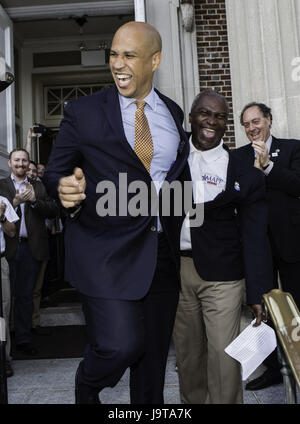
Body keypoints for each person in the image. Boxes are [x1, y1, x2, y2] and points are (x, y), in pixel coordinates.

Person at [43, 21, 189, 404]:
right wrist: (63, 187)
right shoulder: (83, 111)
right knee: (120, 345)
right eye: (113, 54)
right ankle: (87, 385)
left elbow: (174, 180)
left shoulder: (173, 114)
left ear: (155, 60)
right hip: (104, 251)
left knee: (153, 362)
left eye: (129, 55)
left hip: (161, 254)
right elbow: (57, 169)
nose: (117, 64)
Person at [172, 90, 273, 403]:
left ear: (226, 125)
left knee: (223, 357)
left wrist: (257, 292)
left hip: (224, 277)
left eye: (219, 116)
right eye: (204, 113)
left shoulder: (244, 173)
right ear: (191, 118)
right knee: (188, 359)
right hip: (177, 272)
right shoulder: (169, 160)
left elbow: (255, 237)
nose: (211, 121)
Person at [234, 102, 300, 390]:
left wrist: (269, 167)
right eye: (246, 124)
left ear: (269, 120)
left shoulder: (292, 148)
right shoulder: (238, 157)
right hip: (256, 244)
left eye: (256, 121)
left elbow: (297, 184)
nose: (252, 128)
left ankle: (298, 364)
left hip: (291, 242)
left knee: (296, 305)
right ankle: (273, 368)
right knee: (264, 309)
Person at [0, 149, 58, 355]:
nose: (21, 163)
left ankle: (23, 339)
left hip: (31, 248)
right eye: (17, 160)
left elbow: (53, 210)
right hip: (7, 249)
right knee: (4, 301)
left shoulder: (39, 186)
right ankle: (4, 344)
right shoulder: (2, 186)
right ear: (10, 163)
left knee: (25, 297)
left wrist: (34, 201)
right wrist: (14, 203)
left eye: (24, 160)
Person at [0, 197, 19, 377]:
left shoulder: (1, 201)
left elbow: (12, 232)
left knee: (2, 313)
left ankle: (4, 359)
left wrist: (2, 217)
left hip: (0, 262)